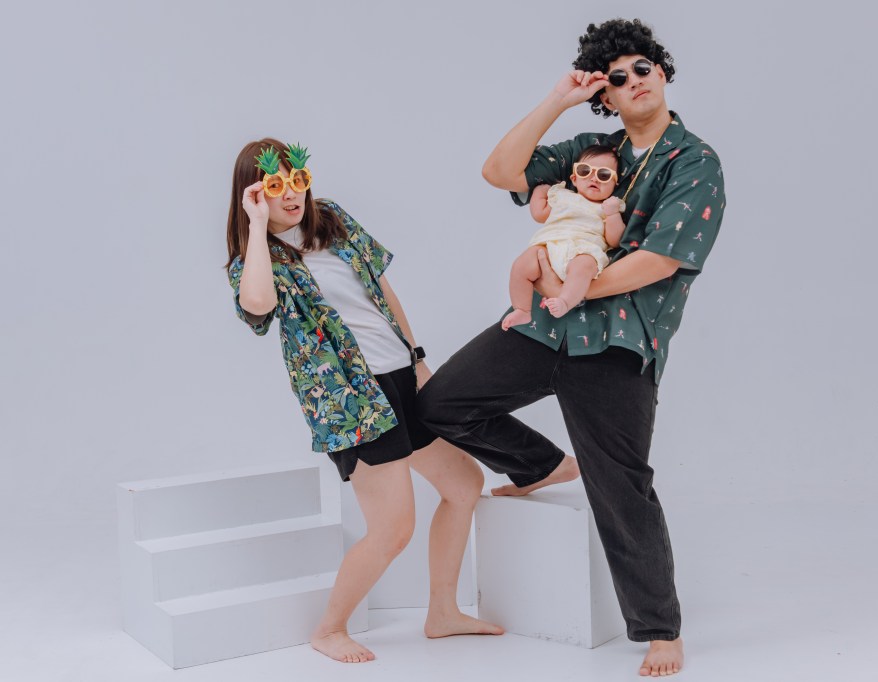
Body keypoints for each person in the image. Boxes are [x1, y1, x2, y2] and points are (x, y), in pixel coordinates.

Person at [419, 18, 725, 677]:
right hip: (540, 327)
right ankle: (539, 466)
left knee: (621, 484)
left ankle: (660, 630)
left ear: (662, 72)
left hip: (618, 341)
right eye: (616, 77)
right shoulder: (590, 150)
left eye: (643, 67)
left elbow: (660, 260)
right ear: (603, 95)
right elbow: (499, 170)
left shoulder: (694, 162)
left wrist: (568, 290)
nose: (634, 80)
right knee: (441, 403)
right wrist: (558, 99)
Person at [225, 138, 503, 664]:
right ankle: (329, 629)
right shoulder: (257, 259)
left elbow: (382, 290)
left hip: (399, 375)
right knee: (393, 528)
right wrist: (257, 227)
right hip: (352, 402)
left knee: (464, 484)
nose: (292, 195)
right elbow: (257, 306)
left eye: (298, 180)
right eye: (275, 186)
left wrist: (417, 359)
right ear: (254, 194)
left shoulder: (331, 219)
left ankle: (443, 612)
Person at [501, 144, 625, 330]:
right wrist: (540, 191)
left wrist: (613, 214)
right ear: (574, 178)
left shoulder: (607, 207)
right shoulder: (562, 196)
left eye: (604, 175)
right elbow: (539, 214)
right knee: (521, 265)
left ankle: (565, 301)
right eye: (585, 171)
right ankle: (522, 309)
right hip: (550, 245)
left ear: (615, 184)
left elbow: (614, 240)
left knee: (583, 267)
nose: (594, 178)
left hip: (583, 250)